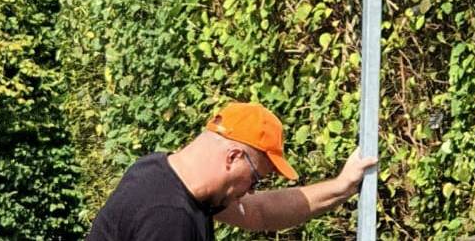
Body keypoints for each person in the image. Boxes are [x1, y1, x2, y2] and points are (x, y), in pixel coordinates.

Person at [86, 102, 379, 240]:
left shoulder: (160, 171)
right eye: (255, 179)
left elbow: (261, 211)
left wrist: (342, 186)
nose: (251, 190)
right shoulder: (168, 219)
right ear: (234, 157)